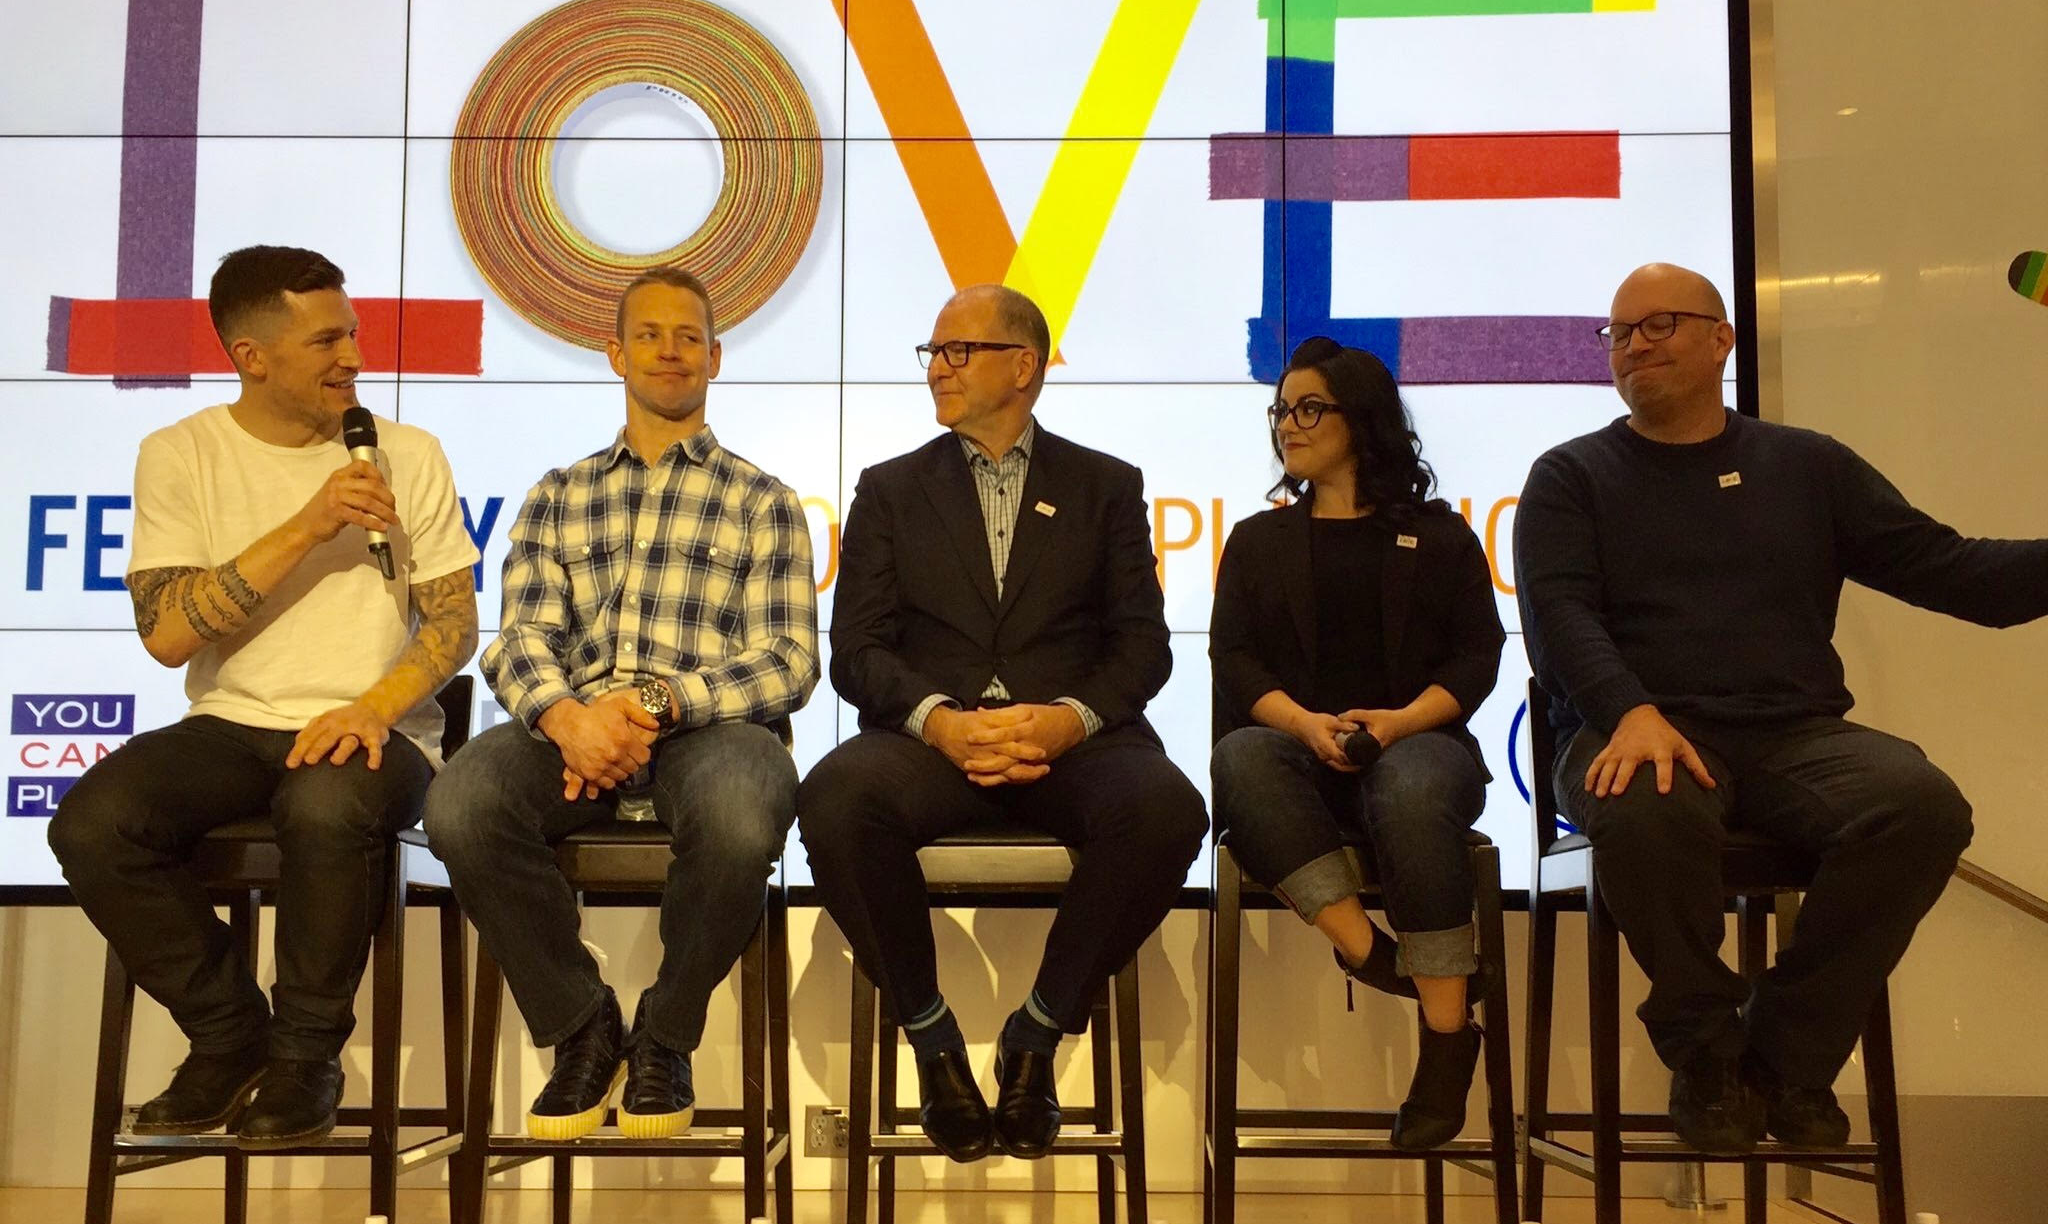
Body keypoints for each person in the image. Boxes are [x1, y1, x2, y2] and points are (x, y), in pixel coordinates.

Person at [1516, 261, 2047, 1153]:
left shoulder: (1807, 466)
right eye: (1619, 333)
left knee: (1920, 806)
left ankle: (1783, 1056)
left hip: (1793, 736)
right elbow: (1558, 619)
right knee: (1649, 800)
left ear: (1722, 339)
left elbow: (1959, 574)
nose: (1635, 346)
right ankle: (1703, 1049)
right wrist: (1631, 711)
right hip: (1627, 729)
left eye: (1660, 324)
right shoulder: (1571, 475)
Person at [49, 245, 479, 1148]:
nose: (352, 357)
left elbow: (452, 626)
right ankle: (229, 1033)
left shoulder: (408, 453)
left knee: (325, 803)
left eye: (352, 333)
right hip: (232, 722)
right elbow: (168, 635)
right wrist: (308, 524)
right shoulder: (182, 453)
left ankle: (305, 1058)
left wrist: (372, 708)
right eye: (326, 341)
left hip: (377, 728)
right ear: (251, 356)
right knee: (93, 824)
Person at [798, 285, 1207, 1162]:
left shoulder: (1105, 486)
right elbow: (856, 649)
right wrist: (939, 722)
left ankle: (1038, 1033)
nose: (936, 369)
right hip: (932, 743)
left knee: (1167, 810)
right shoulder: (890, 489)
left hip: (1069, 742)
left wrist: (1068, 720)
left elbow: (1143, 648)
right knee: (835, 800)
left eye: (958, 351)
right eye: (933, 353)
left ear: (1023, 367)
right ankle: (932, 1039)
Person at [425, 266, 817, 1140]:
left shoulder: (763, 500)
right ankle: (581, 1025)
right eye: (649, 335)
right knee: (461, 802)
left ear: (715, 357)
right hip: (573, 728)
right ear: (615, 354)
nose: (669, 351)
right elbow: (518, 640)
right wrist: (569, 719)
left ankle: (665, 1037)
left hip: (710, 728)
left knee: (743, 813)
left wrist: (658, 702)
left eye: (688, 337)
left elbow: (789, 662)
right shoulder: (559, 493)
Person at [1210, 337, 1505, 1149]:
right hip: (1298, 746)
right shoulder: (1259, 541)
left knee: (1410, 786)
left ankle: (1446, 1039)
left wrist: (1399, 722)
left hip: (1417, 741)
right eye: (1281, 410)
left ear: (1363, 418)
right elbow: (1235, 659)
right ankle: (1372, 953)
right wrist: (1305, 723)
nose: (1288, 425)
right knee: (1241, 757)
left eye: (1310, 409)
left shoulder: (1440, 537)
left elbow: (1476, 657)